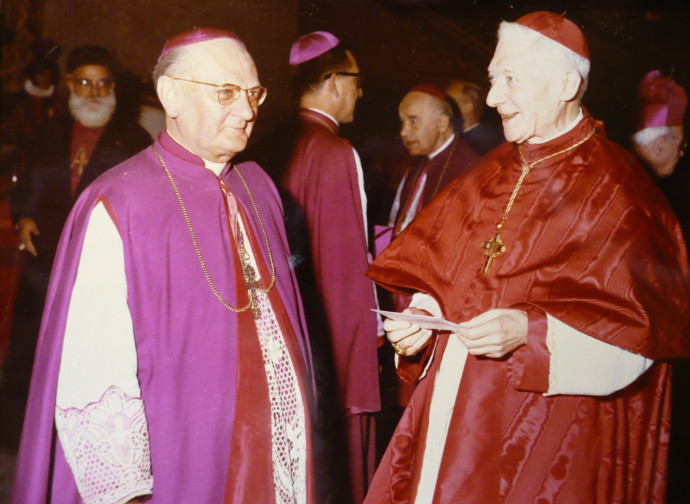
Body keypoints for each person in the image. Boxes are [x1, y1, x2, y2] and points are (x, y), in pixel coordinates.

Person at [364, 11, 690, 504]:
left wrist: (530, 332)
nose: (494, 98)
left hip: (549, 430)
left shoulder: (622, 190)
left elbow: (639, 335)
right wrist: (422, 319)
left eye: (510, 80)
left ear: (564, 84)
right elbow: (446, 279)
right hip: (453, 416)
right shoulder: (489, 169)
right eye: (494, 80)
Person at [12, 27, 316, 504]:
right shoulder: (120, 201)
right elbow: (95, 371)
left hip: (274, 456)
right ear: (170, 95)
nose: (248, 110)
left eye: (254, 92)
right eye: (226, 92)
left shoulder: (259, 186)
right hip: (187, 463)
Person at [1, 45, 151, 450]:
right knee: (34, 347)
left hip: (98, 266)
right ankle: (24, 438)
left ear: (114, 88)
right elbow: (28, 183)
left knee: (88, 355)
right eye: (85, 82)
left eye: (103, 83)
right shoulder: (50, 131)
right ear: (70, 85)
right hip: (43, 260)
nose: (94, 92)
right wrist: (24, 216)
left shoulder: (133, 138)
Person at [282, 31, 380, 503]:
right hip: (329, 342)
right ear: (333, 81)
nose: (361, 92)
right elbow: (345, 269)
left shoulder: (277, 140)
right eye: (357, 80)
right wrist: (362, 346)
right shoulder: (335, 151)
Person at [445, 79, 503, 155]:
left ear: (467, 107)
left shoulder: (482, 143)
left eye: (451, 102)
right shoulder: (456, 137)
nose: (445, 107)